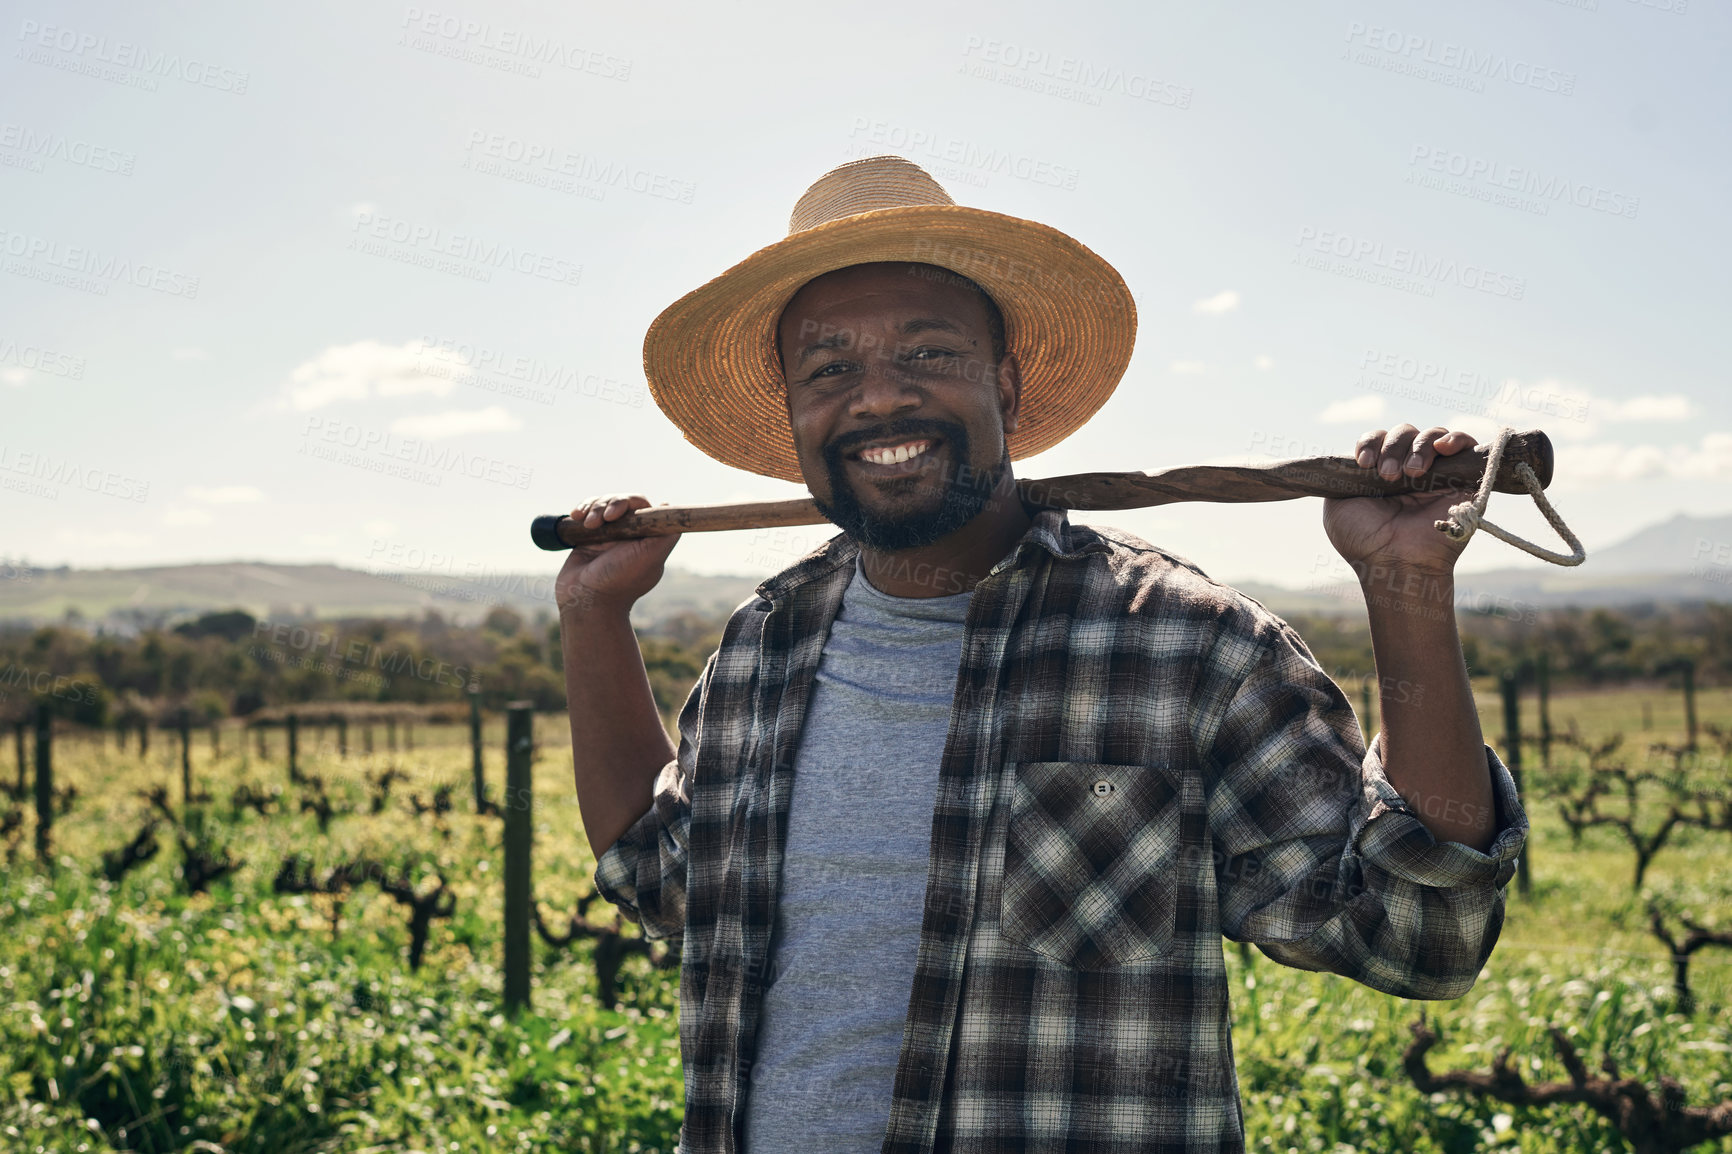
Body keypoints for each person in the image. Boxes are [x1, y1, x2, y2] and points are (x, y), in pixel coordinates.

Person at [556, 156, 1527, 1154]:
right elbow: (658, 875)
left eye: (928, 354)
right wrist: (594, 616)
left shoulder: (1182, 642)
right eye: (829, 367)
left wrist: (1406, 583)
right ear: (797, 415)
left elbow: (1420, 940)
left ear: (1006, 384)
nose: (879, 397)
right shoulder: (766, 644)